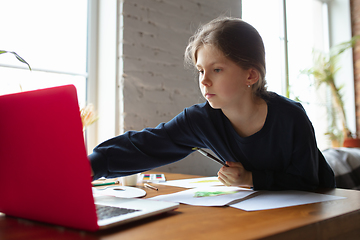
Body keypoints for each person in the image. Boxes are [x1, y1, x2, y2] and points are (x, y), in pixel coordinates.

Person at [88, 17, 335, 191]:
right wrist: (91, 165)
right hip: (256, 213)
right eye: (200, 70)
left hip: (319, 212)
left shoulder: (291, 117)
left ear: (250, 75)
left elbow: (307, 181)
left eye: (216, 69)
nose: (204, 81)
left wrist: (250, 178)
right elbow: (149, 144)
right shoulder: (200, 120)